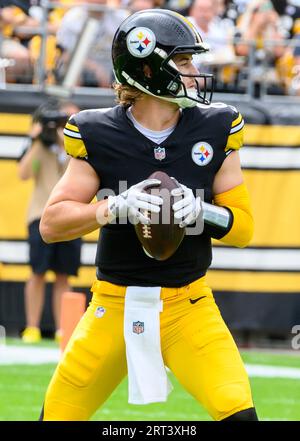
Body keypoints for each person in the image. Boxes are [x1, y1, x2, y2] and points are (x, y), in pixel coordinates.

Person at [39, 9, 257, 421]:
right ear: (149, 66)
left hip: (189, 305)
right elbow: (52, 224)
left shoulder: (217, 126)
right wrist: (111, 207)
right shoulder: (98, 131)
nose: (195, 70)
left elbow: (244, 229)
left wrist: (204, 212)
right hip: (113, 305)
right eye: (184, 60)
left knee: (238, 411)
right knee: (57, 415)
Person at [19, 99, 82, 344]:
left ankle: (62, 329)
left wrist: (60, 138)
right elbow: (25, 173)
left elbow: (72, 167)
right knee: (37, 272)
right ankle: (32, 327)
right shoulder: (39, 146)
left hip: (71, 215)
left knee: (64, 275)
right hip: (40, 215)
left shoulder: (72, 146)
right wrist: (37, 139)